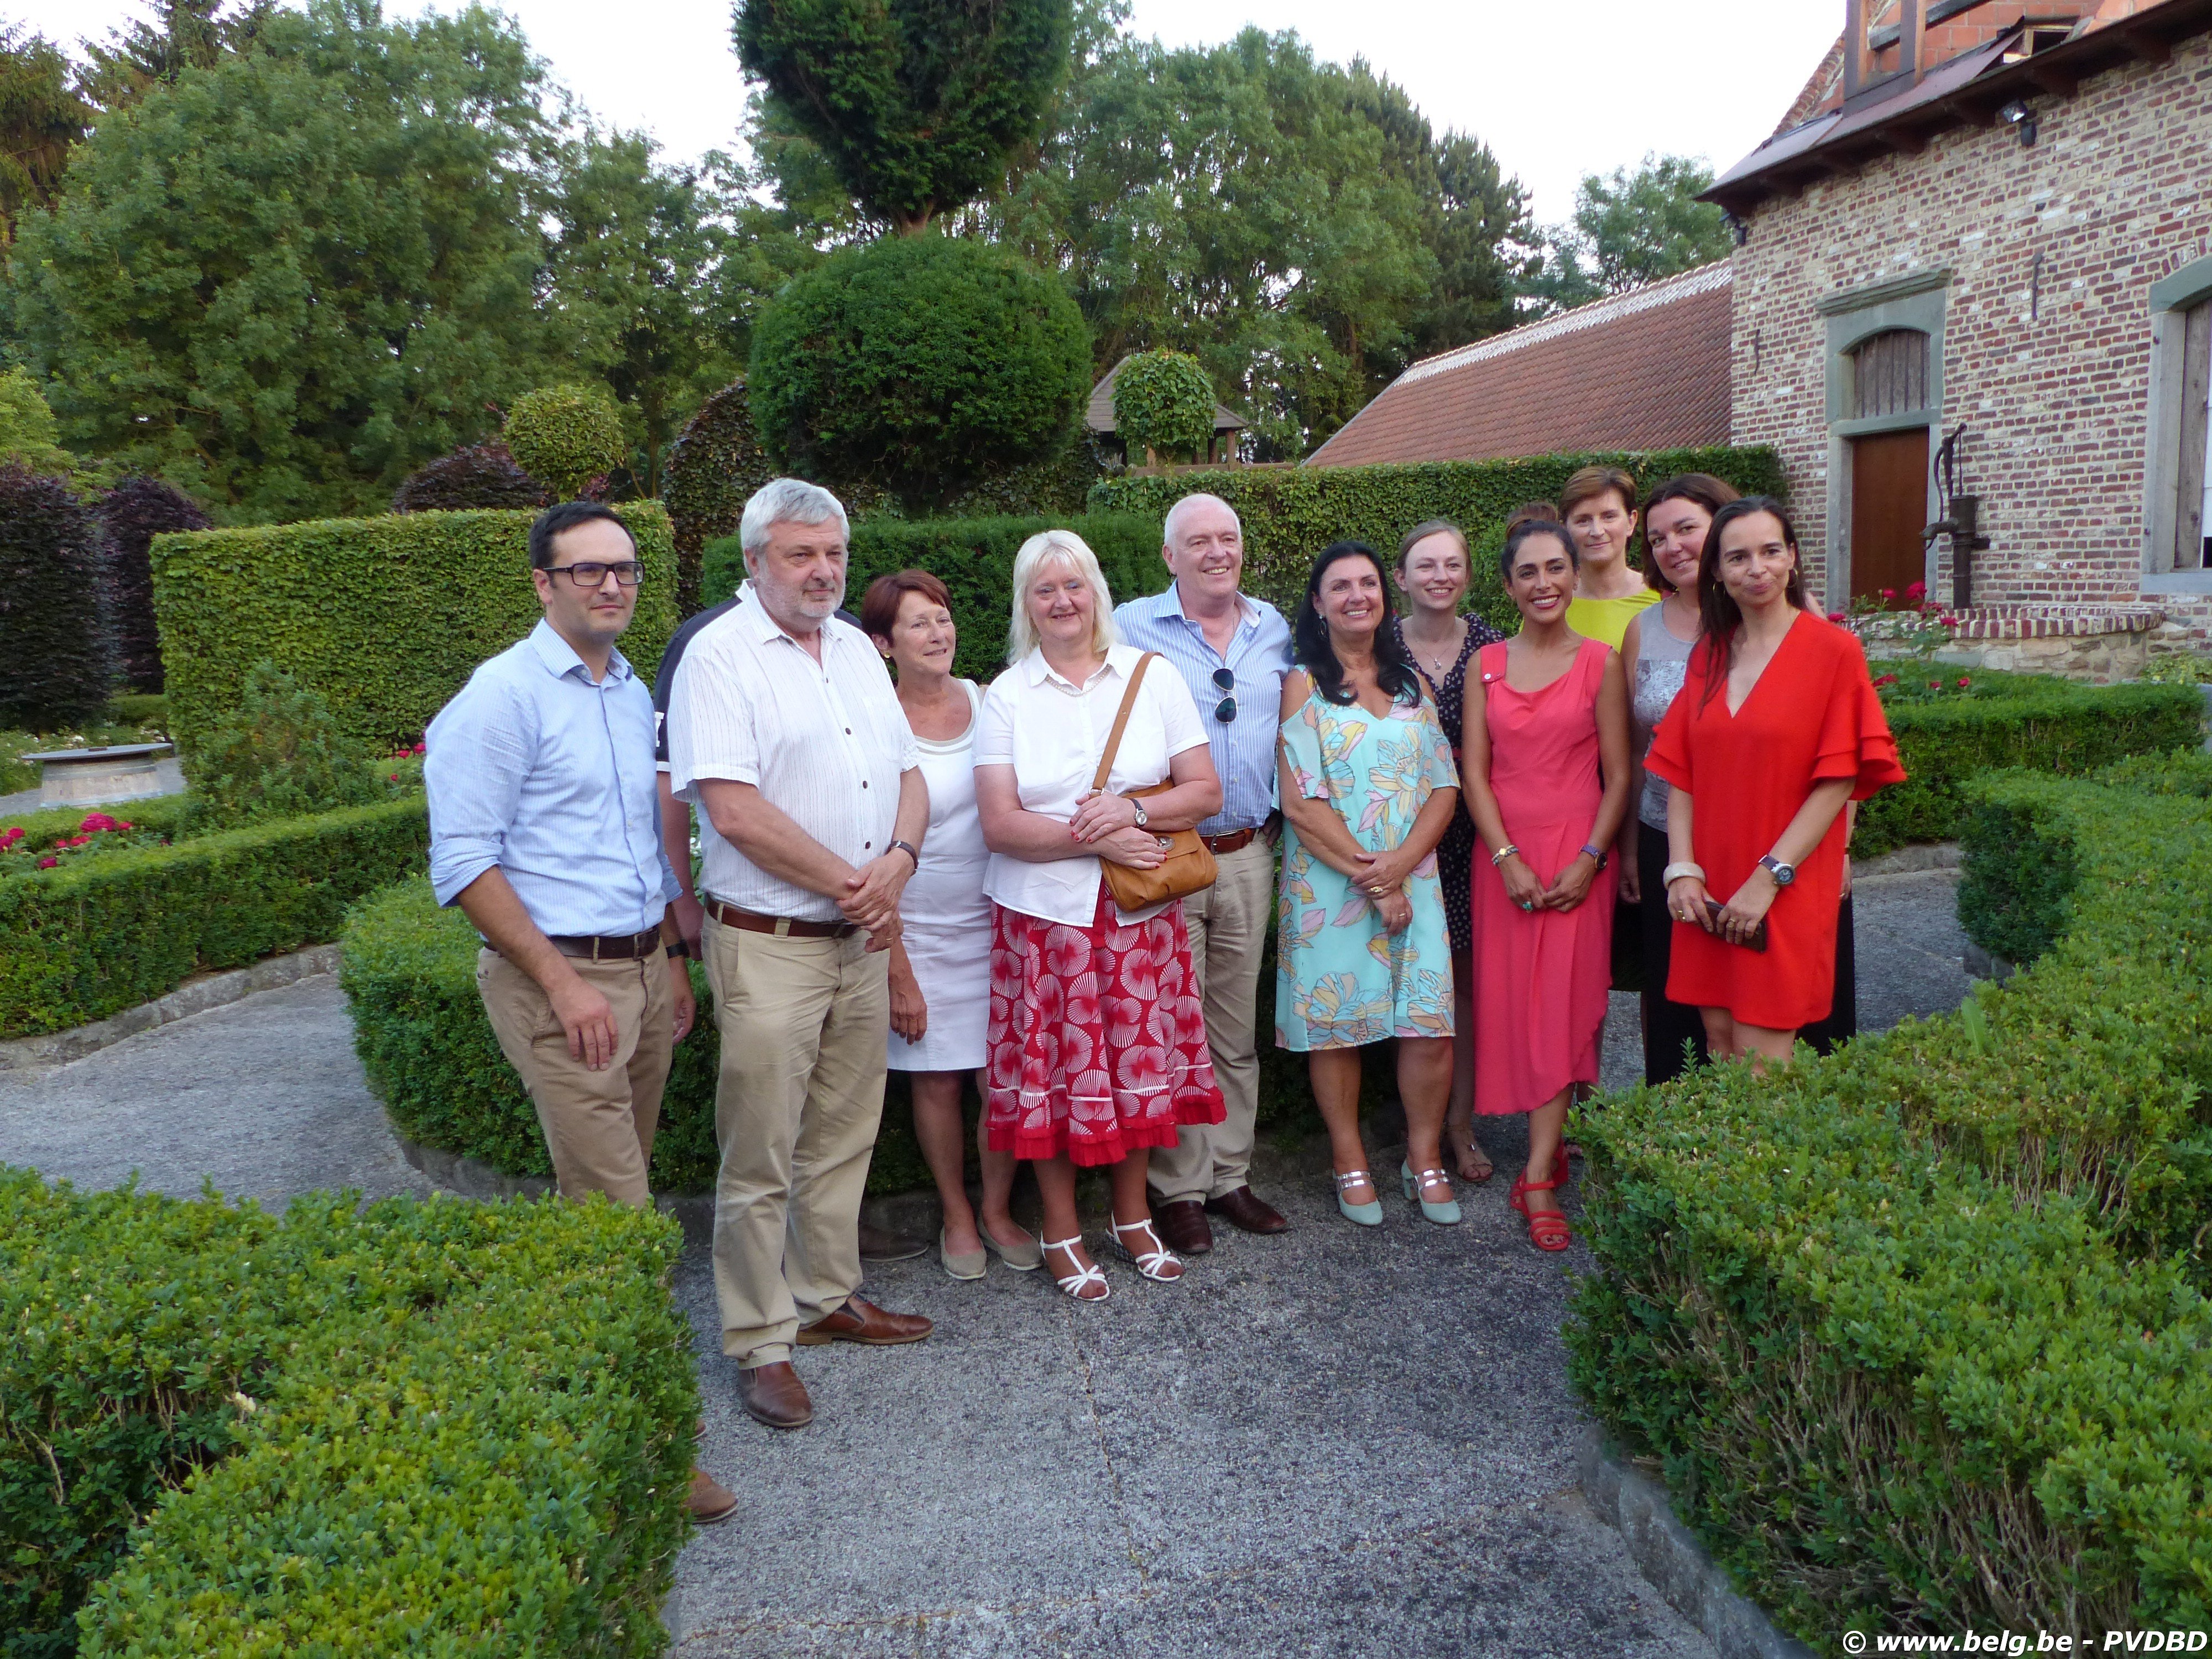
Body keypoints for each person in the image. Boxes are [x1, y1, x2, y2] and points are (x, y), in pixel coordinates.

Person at [425, 498, 734, 1524]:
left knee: (606, 1206)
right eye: (589, 569)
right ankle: (652, 1447)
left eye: (626, 568)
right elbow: (465, 862)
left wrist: (673, 960)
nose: (613, 584)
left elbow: (644, 844)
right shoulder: (498, 700)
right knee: (621, 1217)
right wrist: (560, 983)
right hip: (561, 985)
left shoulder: (623, 687)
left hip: (642, 972)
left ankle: (567, 1388)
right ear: (543, 584)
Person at [666, 478, 935, 1433]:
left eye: (833, 554)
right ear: (754, 561)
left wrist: (896, 861)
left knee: (841, 1134)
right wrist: (850, 882)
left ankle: (826, 1298)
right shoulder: (718, 657)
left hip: (857, 939)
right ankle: (758, 1341)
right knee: (760, 1154)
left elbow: (909, 774)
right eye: (800, 554)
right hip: (773, 942)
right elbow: (730, 809)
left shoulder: (860, 649)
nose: (822, 571)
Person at [974, 529, 1227, 1302]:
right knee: (1052, 1081)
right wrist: (1099, 840)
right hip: (1043, 924)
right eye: (1045, 589)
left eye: (1074, 586)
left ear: (1097, 594)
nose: (1062, 602)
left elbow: (1205, 791)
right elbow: (1000, 824)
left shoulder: (1152, 679)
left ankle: (1131, 1218)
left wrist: (1131, 809)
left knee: (1141, 1072)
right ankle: (1060, 1229)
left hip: (1137, 918)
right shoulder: (1005, 695)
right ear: (1027, 604)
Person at [1649, 498, 1905, 1069]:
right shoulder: (1709, 655)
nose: (1756, 568)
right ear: (1716, 571)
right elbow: (1680, 774)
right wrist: (1682, 871)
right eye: (1737, 557)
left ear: (1792, 557)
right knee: (1717, 1046)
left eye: (1770, 551)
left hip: (1784, 878)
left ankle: (1765, 1163)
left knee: (1762, 1058)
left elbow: (1839, 780)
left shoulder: (1833, 651)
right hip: (1711, 878)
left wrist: (1768, 880)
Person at [1113, 492, 1294, 1255]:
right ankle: (1179, 1188)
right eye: (1199, 542)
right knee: (1170, 1026)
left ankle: (1231, 1174)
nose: (1217, 552)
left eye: (1229, 538)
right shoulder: (1126, 628)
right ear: (1169, 557)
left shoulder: (1275, 627)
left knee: (1232, 1030)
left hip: (1249, 852)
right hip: (1169, 858)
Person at [862, 569, 1042, 1281]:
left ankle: (997, 1209)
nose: (937, 634)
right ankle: (956, 1213)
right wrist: (896, 968)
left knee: (1001, 1078)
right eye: (917, 624)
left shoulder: (989, 699)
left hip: (999, 922)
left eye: (942, 618)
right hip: (914, 932)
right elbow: (867, 850)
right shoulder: (871, 722)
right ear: (883, 644)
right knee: (935, 1082)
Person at [1276, 541, 1463, 1228]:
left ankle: (1423, 1157)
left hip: (1414, 881)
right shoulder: (1304, 683)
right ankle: (1348, 1157)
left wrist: (1403, 864)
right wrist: (1371, 876)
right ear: (1318, 604)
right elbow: (1301, 800)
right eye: (1340, 586)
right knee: (1339, 1031)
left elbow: (1445, 783)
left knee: (1428, 1029)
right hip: (1332, 888)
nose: (1358, 595)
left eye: (1368, 583)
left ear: (1384, 596)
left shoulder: (1410, 682)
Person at [1462, 519, 1631, 1251]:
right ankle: (1552, 1143)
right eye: (1527, 572)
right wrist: (1506, 856)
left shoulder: (1602, 662)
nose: (1544, 584)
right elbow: (1473, 771)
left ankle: (1535, 1175)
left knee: (1564, 1007)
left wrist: (1593, 857)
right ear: (1507, 585)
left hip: (1579, 856)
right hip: (1505, 857)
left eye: (1556, 568)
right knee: (1512, 1007)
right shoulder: (1486, 665)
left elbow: (1620, 774)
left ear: (1574, 574)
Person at [1389, 519, 1507, 1185]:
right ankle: (1410, 1128)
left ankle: (1458, 1126)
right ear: (1400, 578)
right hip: (1402, 835)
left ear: (1467, 574)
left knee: (1460, 986)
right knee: (1400, 982)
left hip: (1476, 830)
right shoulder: (1377, 646)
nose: (1440, 576)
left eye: (1452, 565)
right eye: (1424, 565)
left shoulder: (1492, 643)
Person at [1620, 474, 1737, 1085]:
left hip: (1753, 839)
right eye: (1657, 537)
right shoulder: (1644, 627)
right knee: (1676, 1002)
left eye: (1687, 528)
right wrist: (1632, 850)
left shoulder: (1773, 615)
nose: (1672, 547)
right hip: (1666, 839)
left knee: (1757, 1008)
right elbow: (1635, 747)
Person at [1559, 465, 1660, 653]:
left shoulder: (1663, 598)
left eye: (1609, 517)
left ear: (1631, 522)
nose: (1597, 531)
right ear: (1564, 529)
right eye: (1583, 520)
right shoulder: (1553, 605)